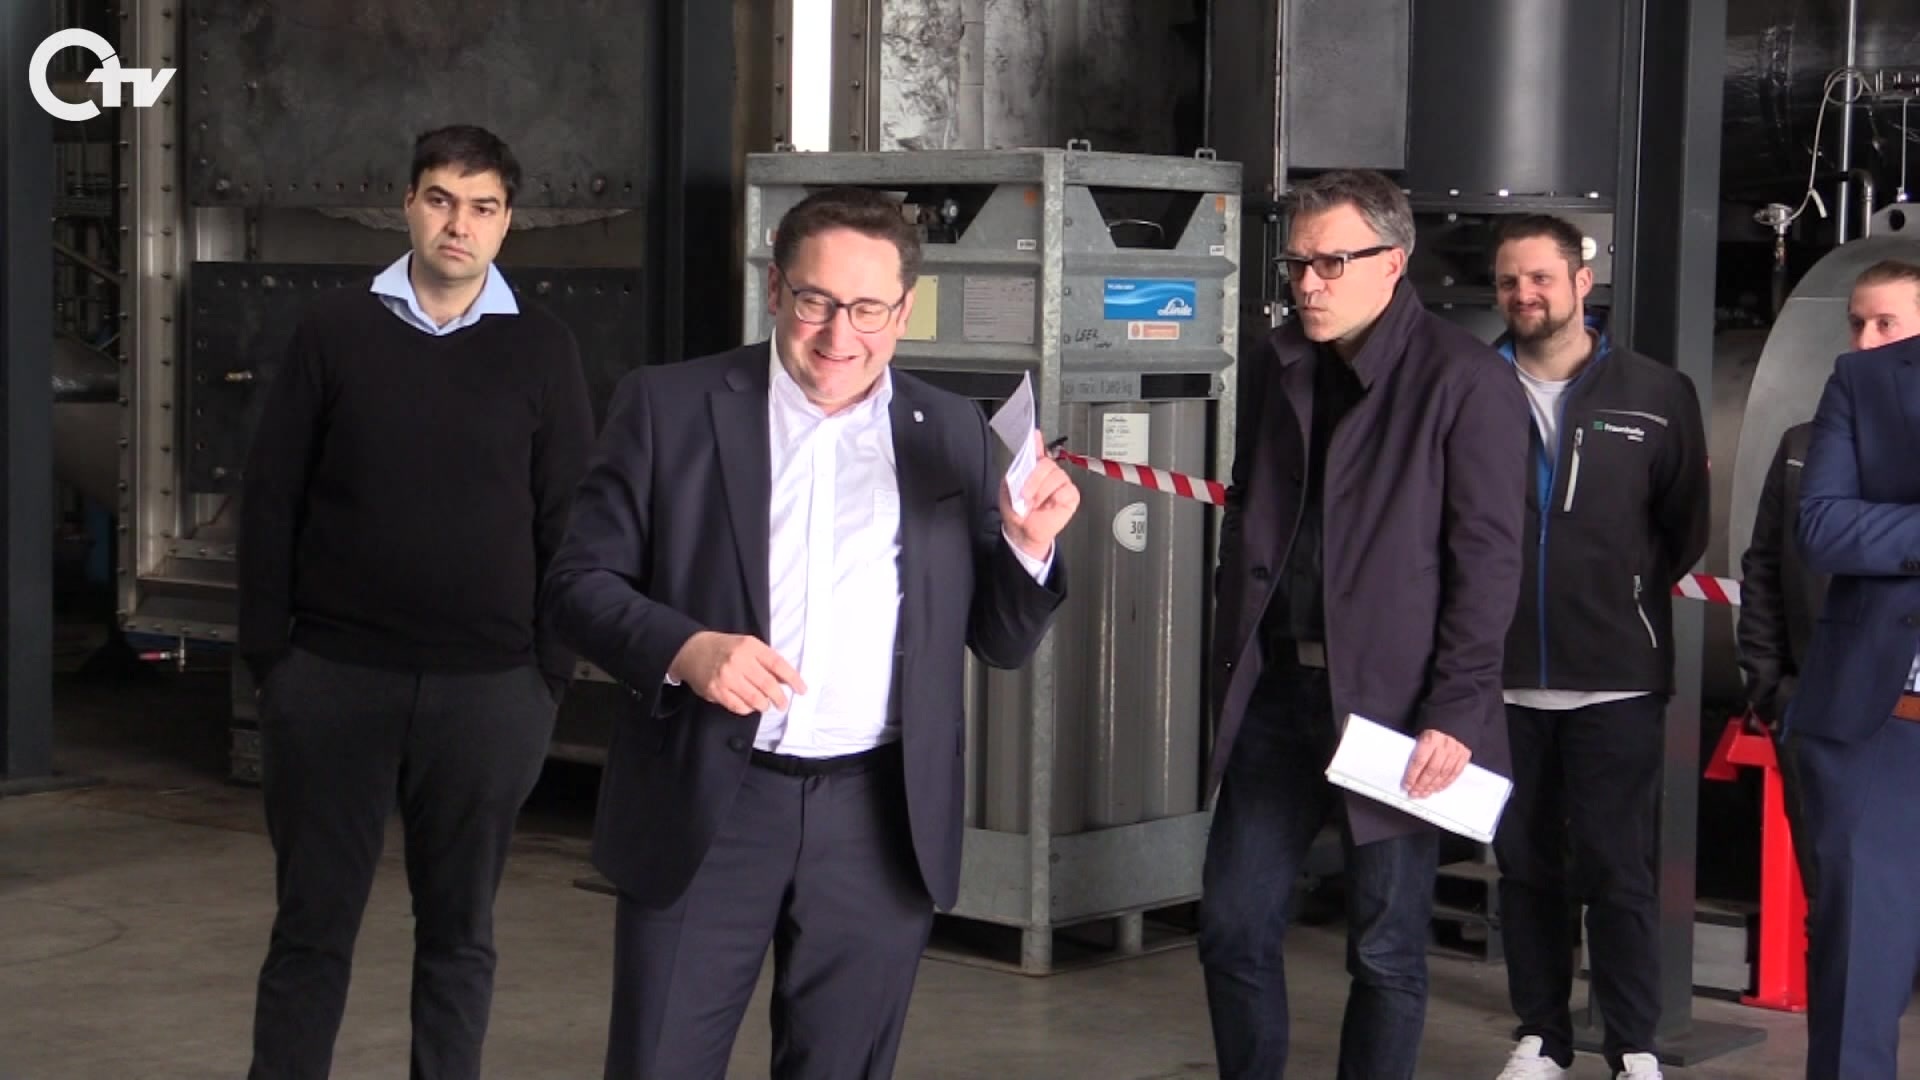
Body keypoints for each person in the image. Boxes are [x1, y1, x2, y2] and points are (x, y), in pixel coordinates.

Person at [544, 186, 1078, 1079]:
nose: (839, 334)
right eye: (816, 301)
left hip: (877, 819)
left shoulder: (951, 431)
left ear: (904, 310)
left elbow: (1000, 640)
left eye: (868, 308)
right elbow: (576, 586)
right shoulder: (669, 406)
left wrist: (1027, 548)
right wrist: (686, 650)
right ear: (774, 289)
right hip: (709, 803)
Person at [237, 125, 594, 1079]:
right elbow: (271, 496)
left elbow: (568, 519)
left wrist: (547, 678)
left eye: (482, 207)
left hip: (490, 694)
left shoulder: (543, 348)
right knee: (311, 929)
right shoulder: (333, 330)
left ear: (507, 222)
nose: (458, 224)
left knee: (459, 934)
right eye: (440, 200)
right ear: (407, 205)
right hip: (332, 680)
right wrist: (273, 661)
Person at [1200, 168, 1529, 1080]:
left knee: (1385, 951)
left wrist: (1456, 710)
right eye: (1297, 264)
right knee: (1231, 927)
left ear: (1394, 262)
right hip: (1277, 692)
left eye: (1331, 263)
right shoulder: (1278, 364)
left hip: (1398, 712)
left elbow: (1488, 563)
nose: (1308, 284)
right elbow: (1250, 510)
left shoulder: (1465, 382)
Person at [1485, 216, 1709, 1080]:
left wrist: (1620, 591)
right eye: (1509, 281)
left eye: (1540, 277)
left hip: (1617, 676)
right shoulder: (1469, 387)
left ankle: (1633, 1047)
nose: (1524, 295)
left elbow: (1682, 527)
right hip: (1499, 677)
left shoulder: (1657, 392)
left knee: (1620, 871)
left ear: (1583, 282)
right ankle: (1542, 1037)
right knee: (1526, 868)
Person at [1786, 257, 1920, 1080]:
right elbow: (1825, 527)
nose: (1867, 338)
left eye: (1886, 322)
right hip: (1885, 729)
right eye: (1860, 322)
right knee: (1859, 976)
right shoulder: (1860, 386)